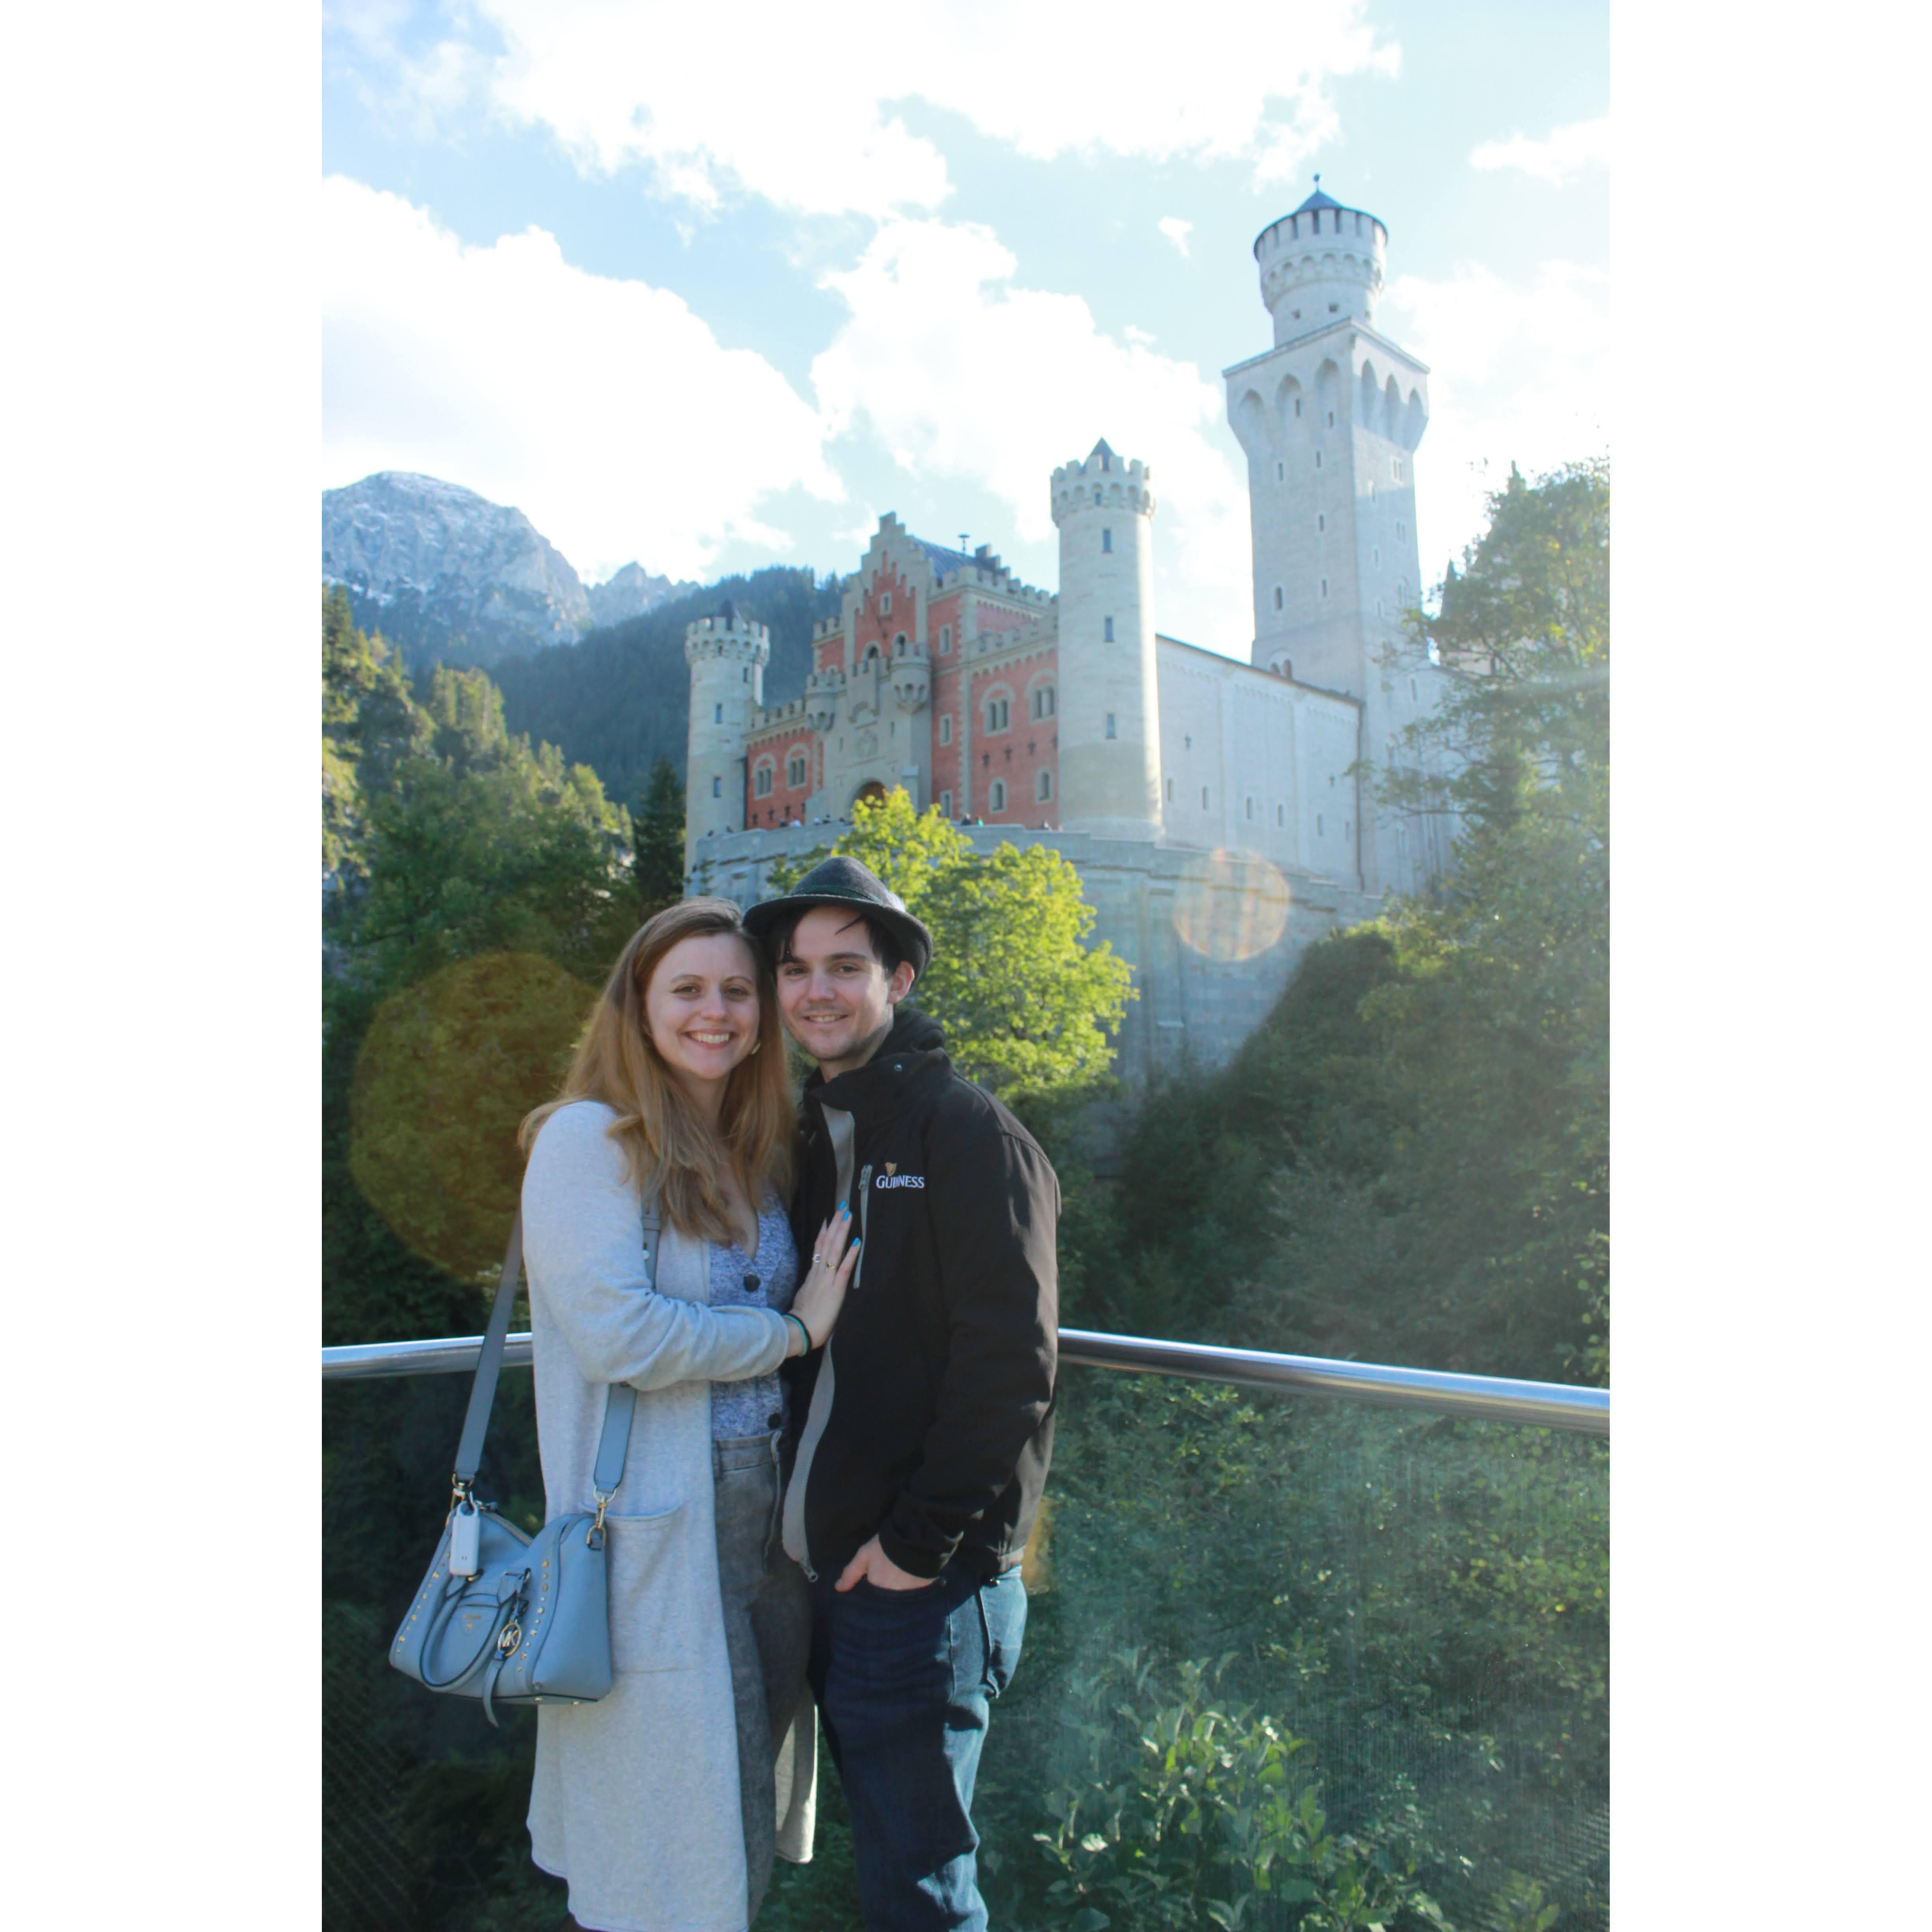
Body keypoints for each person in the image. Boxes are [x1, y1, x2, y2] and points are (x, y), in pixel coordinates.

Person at [517, 897, 861, 1932]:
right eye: (687, 990)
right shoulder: (589, 1141)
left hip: (765, 1530)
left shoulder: (746, 1153)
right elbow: (621, 1335)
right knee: (659, 1845)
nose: (714, 1012)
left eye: (735, 991)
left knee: (733, 1816)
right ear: (637, 1004)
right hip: (657, 1531)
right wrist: (791, 1334)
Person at [744, 857, 1059, 1932]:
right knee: (881, 1878)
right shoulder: (814, 1137)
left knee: (921, 1894)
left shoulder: (966, 1133)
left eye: (844, 965)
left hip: (917, 1586)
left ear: (902, 977)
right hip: (829, 1575)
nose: (814, 991)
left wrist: (915, 1548)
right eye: (794, 969)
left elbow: (1010, 1366)